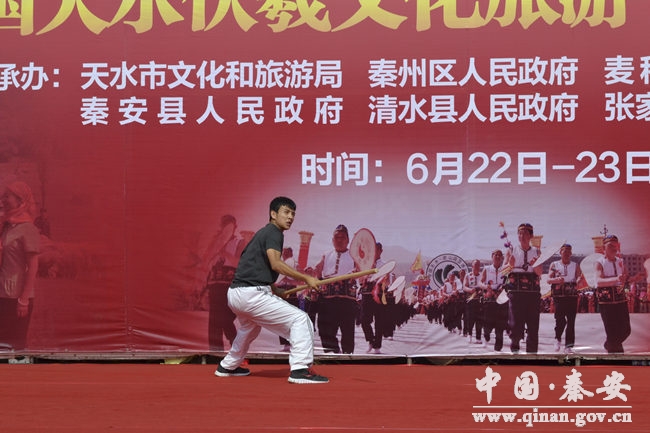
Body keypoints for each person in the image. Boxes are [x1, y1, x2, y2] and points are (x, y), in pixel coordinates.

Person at [216, 197, 328, 384]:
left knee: (250, 329)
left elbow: (256, 268)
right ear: (273, 214)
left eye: (293, 214)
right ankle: (300, 370)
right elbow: (276, 264)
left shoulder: (263, 234)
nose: (290, 217)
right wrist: (307, 278)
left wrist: (275, 289)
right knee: (300, 319)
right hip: (251, 295)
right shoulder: (274, 232)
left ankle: (227, 366)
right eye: (286, 212)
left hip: (237, 294)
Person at [0, 181, 41, 356]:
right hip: (2, 294)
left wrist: (23, 299)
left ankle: (20, 372)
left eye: (7, 196)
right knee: (2, 343)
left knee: (15, 345)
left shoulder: (28, 229)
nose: (3, 200)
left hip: (16, 297)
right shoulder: (7, 226)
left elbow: (33, 266)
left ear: (20, 200)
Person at [314, 224, 358, 354]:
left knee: (347, 330)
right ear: (332, 240)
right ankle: (334, 352)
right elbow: (318, 272)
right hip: (327, 298)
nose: (339, 240)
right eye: (336, 237)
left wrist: (355, 273)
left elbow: (362, 273)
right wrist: (315, 272)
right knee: (324, 328)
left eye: (342, 237)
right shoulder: (326, 255)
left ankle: (347, 356)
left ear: (348, 240)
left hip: (347, 299)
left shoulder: (354, 256)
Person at [594, 235, 642, 354]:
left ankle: (609, 344)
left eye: (615, 246)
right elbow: (598, 282)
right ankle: (614, 353)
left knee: (626, 330)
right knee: (612, 331)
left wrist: (634, 278)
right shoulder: (599, 263)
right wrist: (616, 279)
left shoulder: (621, 262)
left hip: (621, 299)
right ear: (604, 248)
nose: (614, 248)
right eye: (610, 246)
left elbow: (626, 279)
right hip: (607, 301)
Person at [202, 214, 244, 352]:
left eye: (230, 226)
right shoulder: (214, 242)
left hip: (230, 285)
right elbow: (205, 261)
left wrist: (224, 252)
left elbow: (239, 263)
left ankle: (237, 349)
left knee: (225, 319)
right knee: (214, 321)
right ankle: (215, 352)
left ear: (234, 227)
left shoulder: (239, 242)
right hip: (214, 284)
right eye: (224, 225)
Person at [504, 223, 542, 354]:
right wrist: (510, 265)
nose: (522, 236)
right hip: (516, 293)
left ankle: (532, 354)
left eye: (525, 233)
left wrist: (535, 265)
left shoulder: (537, 251)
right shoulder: (511, 250)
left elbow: (539, 272)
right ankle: (515, 349)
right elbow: (503, 271)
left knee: (533, 325)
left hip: (532, 293)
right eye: (520, 233)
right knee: (515, 325)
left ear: (531, 235)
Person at [548, 243, 582, 353]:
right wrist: (557, 280)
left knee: (571, 320)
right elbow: (548, 279)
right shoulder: (554, 264)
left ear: (571, 253)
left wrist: (579, 280)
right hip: (559, 296)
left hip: (572, 295)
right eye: (564, 251)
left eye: (568, 251)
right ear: (560, 252)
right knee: (560, 320)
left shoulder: (575, 265)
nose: (566, 253)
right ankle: (557, 338)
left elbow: (578, 278)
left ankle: (569, 345)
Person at [360, 242, 387, 354]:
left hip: (379, 294)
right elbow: (361, 278)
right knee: (364, 320)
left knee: (379, 321)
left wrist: (378, 283)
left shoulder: (384, 264)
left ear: (381, 251)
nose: (374, 252)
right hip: (366, 294)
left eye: (377, 250)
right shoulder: (366, 263)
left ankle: (377, 346)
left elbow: (386, 279)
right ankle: (370, 340)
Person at [480, 249, 508, 351]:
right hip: (489, 299)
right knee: (488, 322)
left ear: (502, 258)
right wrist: (486, 287)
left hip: (501, 298)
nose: (497, 257)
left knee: (500, 323)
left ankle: (498, 346)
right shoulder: (486, 269)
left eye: (500, 255)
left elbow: (507, 282)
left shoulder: (505, 269)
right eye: (496, 255)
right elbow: (480, 282)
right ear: (492, 256)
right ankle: (486, 334)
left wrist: (503, 288)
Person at [463, 259, 484, 345]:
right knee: (470, 318)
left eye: (478, 265)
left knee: (479, 319)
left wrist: (481, 291)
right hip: (470, 299)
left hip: (479, 300)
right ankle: (470, 334)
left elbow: (485, 286)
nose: (477, 267)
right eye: (475, 265)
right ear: (472, 266)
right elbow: (464, 287)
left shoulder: (482, 275)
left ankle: (478, 337)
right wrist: (470, 290)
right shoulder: (468, 275)